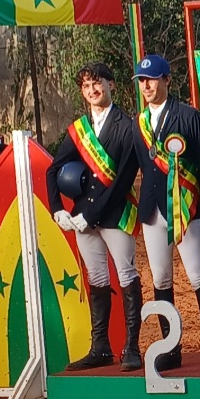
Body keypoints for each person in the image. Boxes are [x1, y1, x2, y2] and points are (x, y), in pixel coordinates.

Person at [46, 62, 142, 372]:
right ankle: (100, 346)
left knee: (127, 276)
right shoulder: (78, 130)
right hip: (81, 218)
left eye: (97, 83)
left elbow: (123, 180)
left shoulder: (127, 126)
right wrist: (57, 209)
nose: (92, 90)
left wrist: (90, 214)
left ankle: (131, 347)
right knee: (97, 279)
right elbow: (53, 170)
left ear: (111, 84)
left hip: (115, 214)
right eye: (87, 86)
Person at [132, 54, 200, 372]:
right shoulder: (137, 123)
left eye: (152, 79)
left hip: (185, 207)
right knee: (160, 278)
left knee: (198, 275)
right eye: (142, 81)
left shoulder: (189, 116)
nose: (146, 86)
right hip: (153, 211)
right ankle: (171, 347)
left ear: (167, 80)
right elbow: (136, 167)